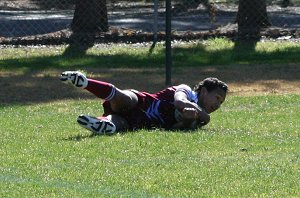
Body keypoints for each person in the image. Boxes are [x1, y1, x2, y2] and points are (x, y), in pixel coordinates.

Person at [60, 71, 228, 135]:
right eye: (218, 98)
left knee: (120, 123)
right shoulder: (187, 90)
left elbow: (173, 129)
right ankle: (85, 82)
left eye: (221, 102)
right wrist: (196, 111)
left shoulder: (197, 119)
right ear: (204, 91)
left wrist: (187, 121)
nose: (218, 104)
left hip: (144, 121)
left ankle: (101, 124)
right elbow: (179, 101)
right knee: (125, 99)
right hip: (143, 101)